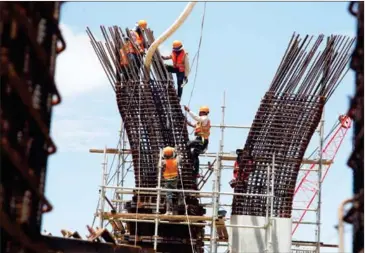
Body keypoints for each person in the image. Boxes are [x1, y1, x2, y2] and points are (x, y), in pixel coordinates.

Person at [183, 105, 211, 179]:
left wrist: (189, 111)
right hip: (200, 139)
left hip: (202, 140)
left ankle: (192, 167)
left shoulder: (205, 118)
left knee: (189, 144)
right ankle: (195, 171)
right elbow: (193, 125)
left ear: (202, 112)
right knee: (194, 154)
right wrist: (187, 122)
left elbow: (197, 118)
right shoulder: (201, 121)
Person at [161, 146, 181, 215]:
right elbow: (180, 157)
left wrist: (161, 155)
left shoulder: (164, 162)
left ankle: (169, 211)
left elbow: (159, 165)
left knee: (169, 195)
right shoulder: (176, 161)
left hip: (167, 180)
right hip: (175, 180)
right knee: (174, 193)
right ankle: (173, 209)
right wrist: (176, 151)